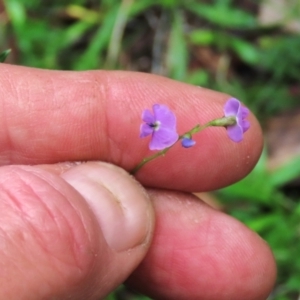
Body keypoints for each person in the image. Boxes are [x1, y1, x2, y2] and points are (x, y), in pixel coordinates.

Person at [0, 63, 276, 300]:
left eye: (231, 121)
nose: (233, 121)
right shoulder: (162, 133)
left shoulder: (168, 133)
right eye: (231, 120)